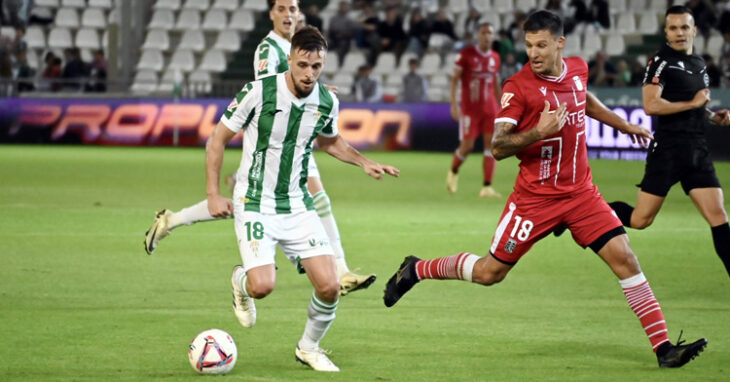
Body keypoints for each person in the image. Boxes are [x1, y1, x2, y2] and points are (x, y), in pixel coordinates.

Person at [383, 10, 707, 368]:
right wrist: (538, 131)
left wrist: (623, 124)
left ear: (559, 44)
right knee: (490, 273)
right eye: (528, 45)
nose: (533, 53)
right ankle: (416, 269)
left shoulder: (579, 69)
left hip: (581, 194)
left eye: (541, 45)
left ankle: (664, 349)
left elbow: (584, 98)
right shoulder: (517, 88)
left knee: (626, 259)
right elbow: (499, 147)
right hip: (534, 201)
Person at [144, 0, 378, 297]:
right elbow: (268, 88)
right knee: (271, 199)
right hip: (273, 135)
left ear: (299, 14)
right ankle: (335, 268)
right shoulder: (269, 50)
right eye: (281, 8)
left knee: (277, 201)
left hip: (297, 134)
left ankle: (171, 220)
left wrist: (316, 92)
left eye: (293, 9)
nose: (288, 14)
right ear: (271, 14)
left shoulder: (298, 51)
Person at [207, 26, 399, 372]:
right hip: (255, 202)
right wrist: (213, 194)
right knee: (262, 287)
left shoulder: (326, 100)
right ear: (290, 60)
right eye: (303, 65)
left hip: (297, 203)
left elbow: (330, 141)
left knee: (330, 287)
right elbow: (217, 140)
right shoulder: (258, 91)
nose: (310, 73)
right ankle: (241, 281)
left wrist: (365, 162)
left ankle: (308, 347)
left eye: (317, 67)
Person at [608, 6, 730, 277]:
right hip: (669, 149)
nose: (679, 33)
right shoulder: (660, 62)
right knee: (641, 220)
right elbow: (651, 105)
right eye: (673, 28)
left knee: (719, 216)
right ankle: (588, 212)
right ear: (665, 32)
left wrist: (711, 116)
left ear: (694, 30)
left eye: (684, 27)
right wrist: (694, 103)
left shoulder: (699, 63)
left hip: (697, 150)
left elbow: (691, 105)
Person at [446, 22, 502, 198]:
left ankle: (486, 187)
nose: (486, 36)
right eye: (483, 32)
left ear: (493, 37)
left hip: (490, 109)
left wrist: (502, 106)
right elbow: (455, 80)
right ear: (478, 35)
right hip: (470, 110)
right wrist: (454, 105)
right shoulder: (465, 55)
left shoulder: (495, 57)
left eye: (489, 33)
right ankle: (453, 171)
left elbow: (495, 83)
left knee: (491, 147)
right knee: (467, 147)